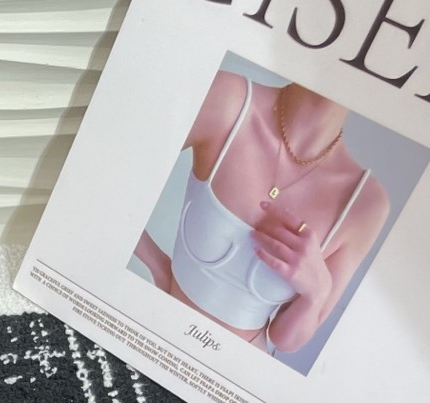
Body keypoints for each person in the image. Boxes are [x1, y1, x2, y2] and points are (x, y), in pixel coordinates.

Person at [134, 69, 389, 354]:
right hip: (156, 334)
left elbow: (284, 341)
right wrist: (158, 266)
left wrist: (317, 293)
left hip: (236, 370)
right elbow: (117, 173)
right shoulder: (228, 100)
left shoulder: (365, 202)